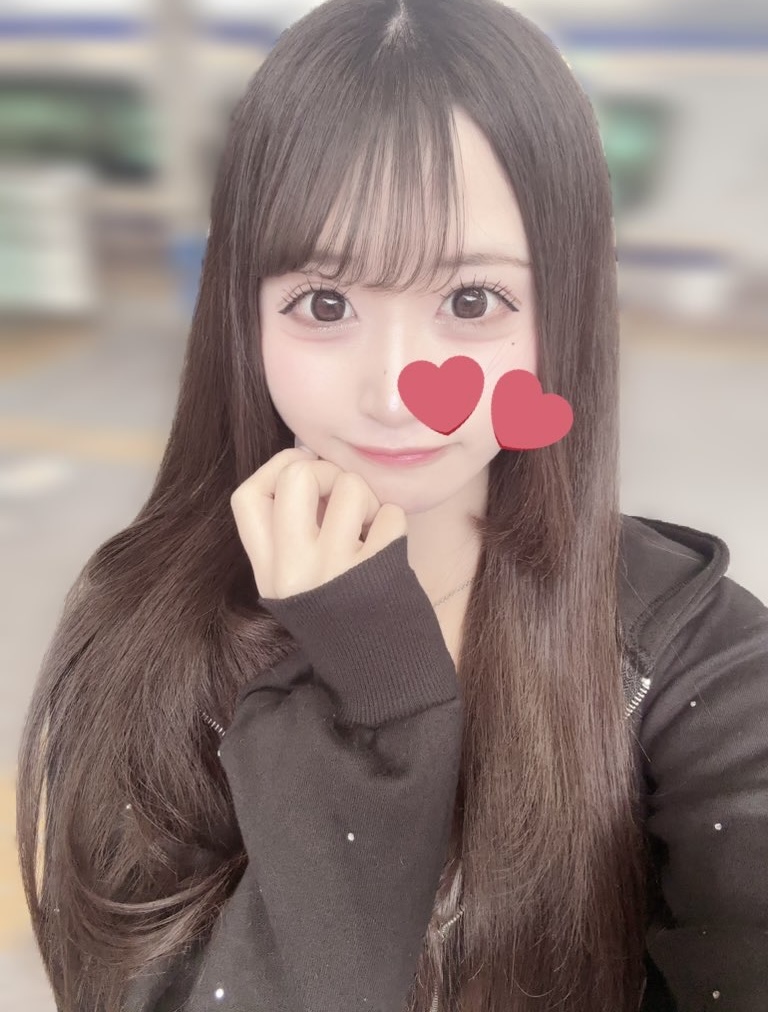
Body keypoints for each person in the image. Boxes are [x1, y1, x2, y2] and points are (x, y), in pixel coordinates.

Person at [15, 0, 768, 1009]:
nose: (395, 390)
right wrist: (376, 689)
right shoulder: (144, 622)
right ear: (244, 313)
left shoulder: (693, 650)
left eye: (472, 301)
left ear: (567, 305)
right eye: (325, 303)